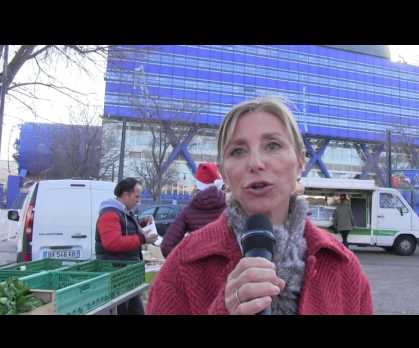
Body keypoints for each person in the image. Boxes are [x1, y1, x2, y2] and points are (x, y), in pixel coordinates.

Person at [147, 97, 373, 315]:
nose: (255, 163)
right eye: (237, 151)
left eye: (273, 145)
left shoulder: (344, 267)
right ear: (224, 172)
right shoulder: (182, 267)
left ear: (300, 162)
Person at [96, 177, 158, 315]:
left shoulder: (123, 212)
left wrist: (141, 223)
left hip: (127, 274)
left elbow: (125, 229)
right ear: (125, 194)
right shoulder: (110, 214)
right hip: (117, 275)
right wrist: (142, 238)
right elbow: (112, 243)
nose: (139, 200)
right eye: (137, 196)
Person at [161, 163, 226, 258]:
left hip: (199, 267)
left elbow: (167, 246)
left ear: (198, 185)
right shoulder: (232, 207)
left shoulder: (189, 210)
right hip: (228, 269)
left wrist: (188, 259)